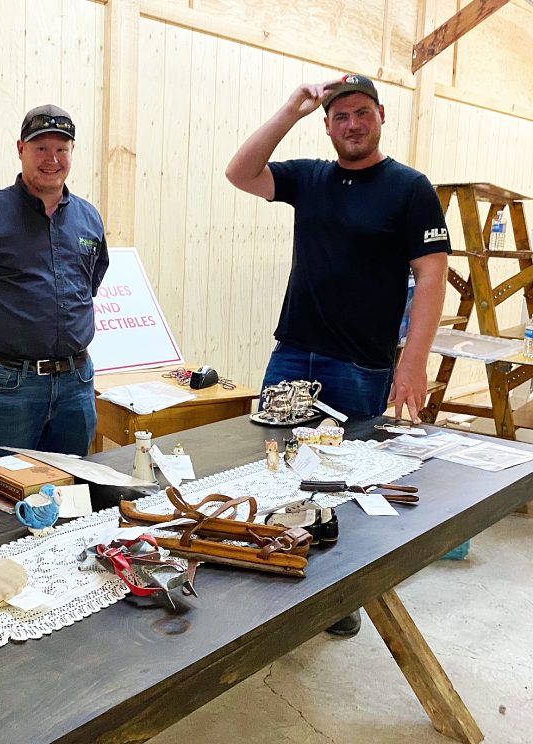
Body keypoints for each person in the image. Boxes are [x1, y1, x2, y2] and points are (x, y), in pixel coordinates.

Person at [226, 73, 449, 637]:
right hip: (292, 356)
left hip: (359, 365)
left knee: (347, 485)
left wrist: (413, 362)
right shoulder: (309, 177)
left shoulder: (410, 188)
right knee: (276, 474)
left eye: (362, 113)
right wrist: (290, 108)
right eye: (340, 116)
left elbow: (431, 276)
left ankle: (341, 595)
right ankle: (285, 577)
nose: (352, 124)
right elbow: (240, 172)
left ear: (381, 116)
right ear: (327, 126)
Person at [0, 105, 108, 460]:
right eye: (41, 148)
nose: (52, 159)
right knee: (4, 497)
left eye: (61, 149)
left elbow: (88, 287)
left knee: (72, 492)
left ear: (72, 152)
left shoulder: (89, 219)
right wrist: (9, 330)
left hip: (76, 384)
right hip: (9, 385)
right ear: (21, 149)